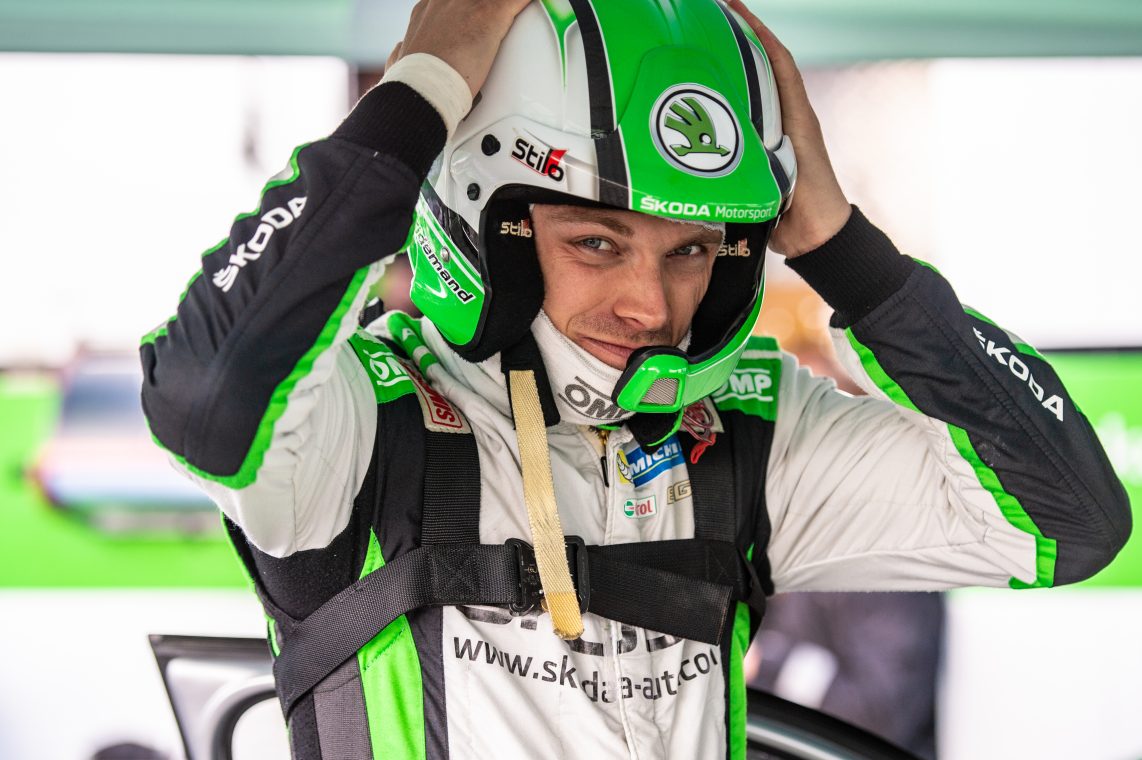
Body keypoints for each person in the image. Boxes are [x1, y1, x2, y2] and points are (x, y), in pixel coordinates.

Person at [139, 1, 1130, 758]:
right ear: (485, 220)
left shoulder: (749, 427)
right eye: (597, 242)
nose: (649, 306)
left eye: (690, 250)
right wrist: (417, 99)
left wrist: (841, 248)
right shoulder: (361, 420)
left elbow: (1067, 520)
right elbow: (201, 393)